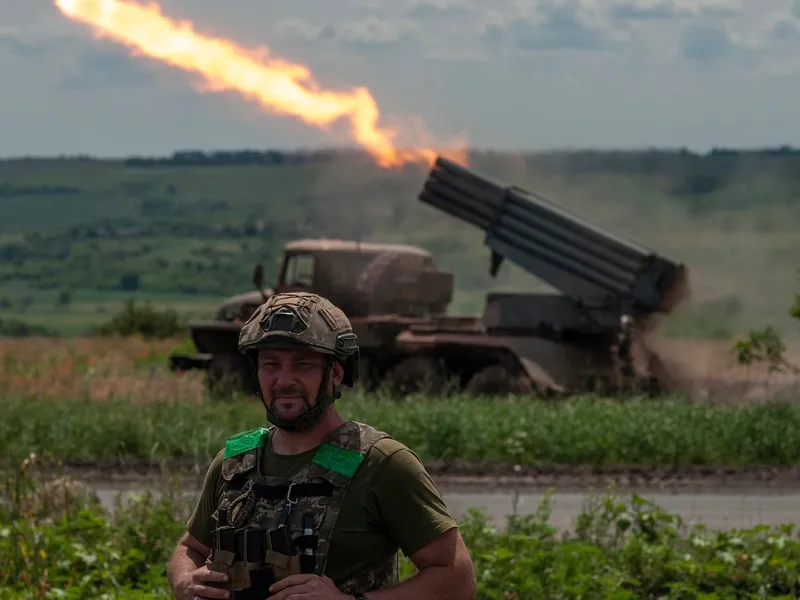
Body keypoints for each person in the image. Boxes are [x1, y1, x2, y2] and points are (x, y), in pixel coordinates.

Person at [167, 291, 477, 600]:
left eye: (303, 364)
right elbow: (190, 548)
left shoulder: (382, 462)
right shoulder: (235, 462)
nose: (284, 380)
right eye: (271, 364)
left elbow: (457, 578)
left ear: (336, 373)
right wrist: (184, 579)